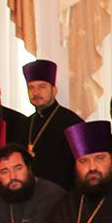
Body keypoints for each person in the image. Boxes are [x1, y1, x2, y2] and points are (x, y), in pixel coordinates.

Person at [19, 59, 83, 189]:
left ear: (54, 90)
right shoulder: (25, 124)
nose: (36, 93)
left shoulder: (72, 123)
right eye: (31, 88)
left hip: (62, 192)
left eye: (42, 87)